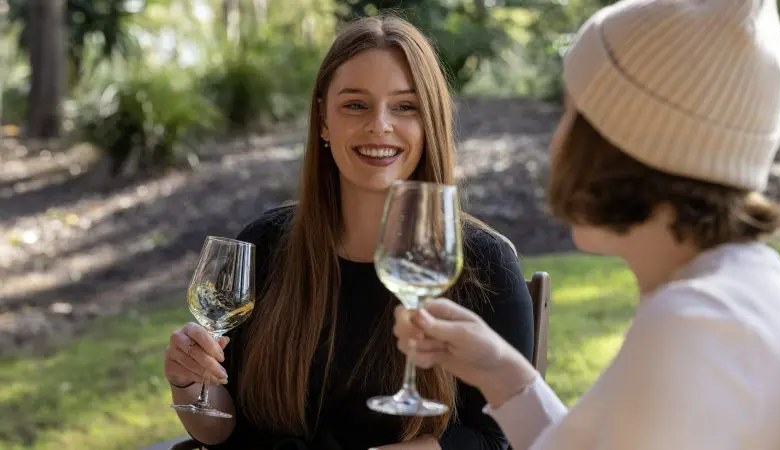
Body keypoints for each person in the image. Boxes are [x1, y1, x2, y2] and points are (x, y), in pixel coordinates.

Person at [393, 0, 780, 448]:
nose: (555, 144)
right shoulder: (738, 306)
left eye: (571, 112)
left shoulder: (697, 332)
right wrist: (500, 372)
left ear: (626, 140)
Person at [162, 14, 534, 450]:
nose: (380, 125)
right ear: (323, 120)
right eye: (355, 105)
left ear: (430, 121)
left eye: (405, 106)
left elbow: (499, 438)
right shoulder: (265, 244)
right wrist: (189, 385)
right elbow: (225, 433)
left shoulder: (482, 264)